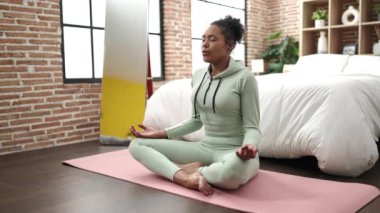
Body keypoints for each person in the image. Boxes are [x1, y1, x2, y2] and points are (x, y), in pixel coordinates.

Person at [129, 15, 261, 196]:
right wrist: (161, 133)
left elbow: (252, 127)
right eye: (203, 39)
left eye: (212, 39)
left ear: (229, 45)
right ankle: (185, 177)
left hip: (234, 151)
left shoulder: (245, 78)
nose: (204, 44)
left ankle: (198, 170)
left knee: (233, 171)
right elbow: (196, 121)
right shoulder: (199, 76)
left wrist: (249, 146)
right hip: (204, 147)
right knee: (137, 145)